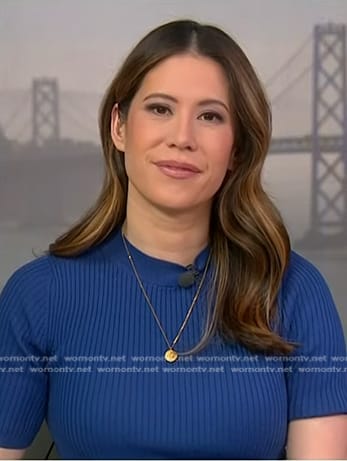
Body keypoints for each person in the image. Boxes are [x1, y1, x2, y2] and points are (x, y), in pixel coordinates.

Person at [0, 19, 346, 460]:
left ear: (236, 147)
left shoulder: (295, 290)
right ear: (119, 127)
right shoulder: (38, 295)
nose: (182, 138)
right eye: (160, 109)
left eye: (210, 116)